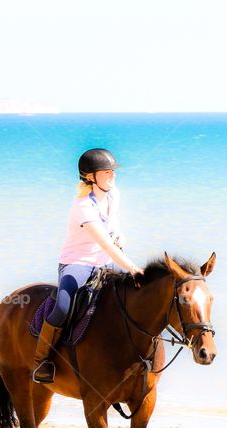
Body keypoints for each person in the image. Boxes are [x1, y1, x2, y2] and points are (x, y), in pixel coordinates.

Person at [31, 148, 143, 384]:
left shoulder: (114, 195)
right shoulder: (83, 207)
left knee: (141, 292)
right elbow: (105, 244)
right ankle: (43, 360)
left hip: (106, 262)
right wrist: (133, 268)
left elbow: (114, 227)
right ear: (90, 176)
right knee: (62, 306)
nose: (113, 175)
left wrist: (121, 234)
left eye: (113, 171)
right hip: (78, 263)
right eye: (106, 171)